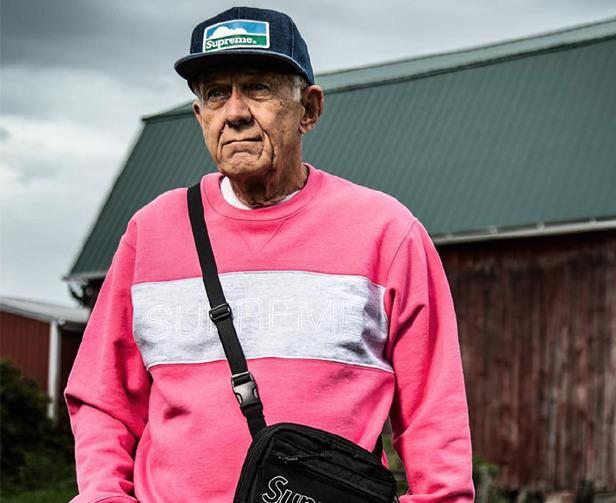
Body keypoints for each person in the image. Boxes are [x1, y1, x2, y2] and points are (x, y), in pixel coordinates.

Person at [65, 7, 474, 502]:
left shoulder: (387, 232)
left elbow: (435, 413)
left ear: (309, 110)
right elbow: (103, 400)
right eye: (216, 93)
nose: (235, 112)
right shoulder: (150, 233)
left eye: (258, 88)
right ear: (200, 116)